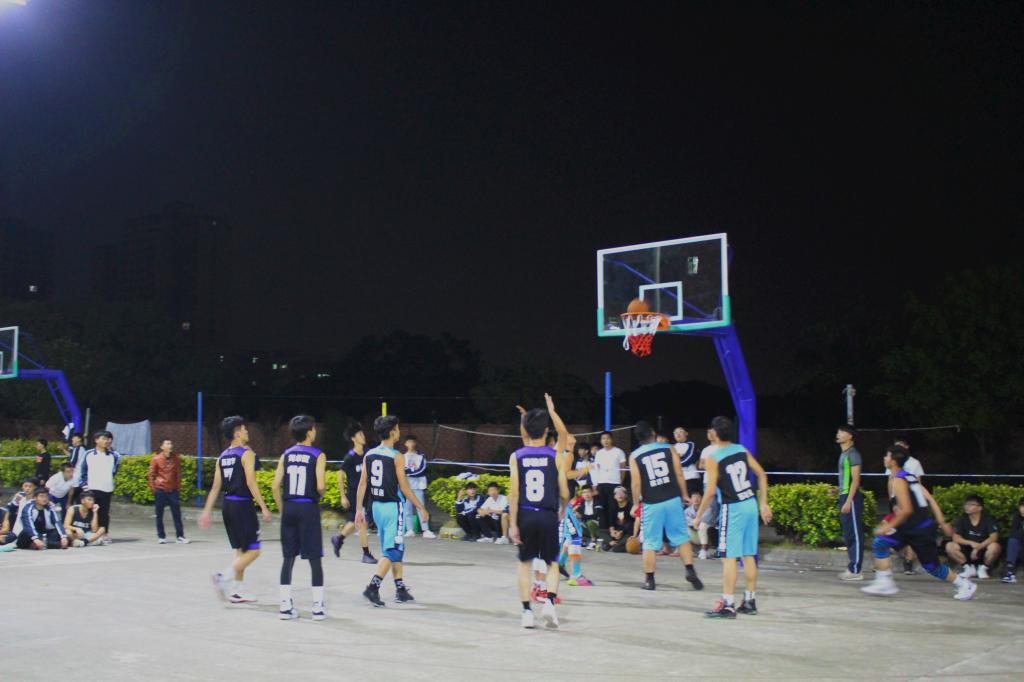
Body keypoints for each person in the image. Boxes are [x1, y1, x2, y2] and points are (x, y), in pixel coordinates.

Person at [861, 445, 976, 600]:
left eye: (887, 456)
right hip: (910, 526)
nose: (884, 458)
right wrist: (941, 521)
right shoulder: (909, 477)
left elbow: (906, 510)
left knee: (932, 568)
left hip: (919, 529)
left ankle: (964, 584)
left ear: (893, 461)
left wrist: (888, 526)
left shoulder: (899, 480)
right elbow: (926, 500)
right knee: (880, 543)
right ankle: (884, 582)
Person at [694, 416, 772, 618]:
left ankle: (728, 604)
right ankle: (749, 601)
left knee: (728, 557)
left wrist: (698, 515)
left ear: (715, 433)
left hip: (733, 507)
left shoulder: (714, 457)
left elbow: (710, 491)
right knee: (748, 554)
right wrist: (763, 503)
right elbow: (762, 474)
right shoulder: (741, 449)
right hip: (750, 504)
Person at [356, 415, 430, 607]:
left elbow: (363, 483)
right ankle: (373, 587)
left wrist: (359, 509)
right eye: (397, 428)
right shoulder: (397, 456)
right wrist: (421, 507)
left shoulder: (369, 454)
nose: (399, 431)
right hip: (392, 507)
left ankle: (400, 589)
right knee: (393, 550)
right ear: (391, 432)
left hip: (376, 507)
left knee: (394, 547)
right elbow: (404, 487)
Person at [510, 394, 570, 629]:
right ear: (546, 430)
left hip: (525, 513)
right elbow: (564, 491)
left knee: (524, 563)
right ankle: (550, 603)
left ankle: (527, 612)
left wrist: (513, 524)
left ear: (526, 430)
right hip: (547, 514)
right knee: (552, 562)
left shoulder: (517, 456)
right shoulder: (555, 456)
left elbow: (514, 493)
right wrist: (563, 506)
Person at [198, 416, 272, 604]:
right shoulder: (246, 454)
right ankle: (223, 577)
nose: (247, 432)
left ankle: (237, 591)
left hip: (228, 505)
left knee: (241, 550)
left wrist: (206, 510)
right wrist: (264, 507)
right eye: (244, 429)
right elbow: (251, 482)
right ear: (237, 433)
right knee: (254, 551)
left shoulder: (222, 457)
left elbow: (215, 487)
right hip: (242, 505)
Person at [628, 420, 703, 592]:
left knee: (649, 542)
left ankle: (650, 580)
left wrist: (635, 503)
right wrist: (684, 494)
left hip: (652, 502)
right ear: (653, 433)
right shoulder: (669, 448)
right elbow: (679, 473)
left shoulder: (635, 456)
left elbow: (636, 483)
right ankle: (690, 569)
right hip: (672, 498)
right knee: (681, 537)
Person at [272, 415, 328, 621]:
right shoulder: (318, 455)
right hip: (308, 507)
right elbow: (320, 486)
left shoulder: (286, 454)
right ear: (309, 432)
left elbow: (275, 486)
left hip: (290, 507)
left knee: (288, 557)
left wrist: (283, 509)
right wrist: (321, 495)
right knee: (314, 557)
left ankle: (285, 606)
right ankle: (317, 607)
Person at [330, 423, 376, 564]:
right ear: (353, 439)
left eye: (363, 433)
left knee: (354, 523)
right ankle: (366, 554)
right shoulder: (350, 457)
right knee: (362, 523)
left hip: (367, 494)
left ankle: (338, 539)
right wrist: (343, 496)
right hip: (355, 496)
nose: (363, 436)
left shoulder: (368, 453)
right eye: (360, 435)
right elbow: (340, 475)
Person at [946, 494, 1002, 580]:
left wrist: (978, 547)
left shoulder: (988, 519)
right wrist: (971, 543)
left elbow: (994, 537)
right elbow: (956, 538)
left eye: (971, 505)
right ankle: (968, 568)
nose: (967, 507)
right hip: (967, 549)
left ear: (980, 508)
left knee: (995, 546)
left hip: (983, 549)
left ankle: (983, 568)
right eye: (966, 504)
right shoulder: (962, 519)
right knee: (950, 546)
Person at [80, 430, 121, 545]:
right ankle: (90, 533)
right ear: (96, 440)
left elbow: (114, 471)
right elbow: (83, 470)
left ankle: (104, 533)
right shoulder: (88, 454)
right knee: (90, 512)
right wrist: (85, 486)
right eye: (103, 438)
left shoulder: (114, 455)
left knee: (104, 513)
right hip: (91, 488)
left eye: (107, 439)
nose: (105, 441)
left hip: (106, 488)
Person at [834, 425, 865, 581]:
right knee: (848, 534)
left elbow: (856, 480)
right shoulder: (844, 454)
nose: (838, 434)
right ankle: (853, 567)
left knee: (854, 534)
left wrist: (848, 501)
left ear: (850, 436)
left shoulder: (853, 454)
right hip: (845, 495)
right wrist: (838, 490)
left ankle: (855, 570)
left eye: (842, 432)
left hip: (850, 498)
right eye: (838, 432)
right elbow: (846, 480)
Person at [148, 438, 189, 544]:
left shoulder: (176, 458)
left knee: (177, 514)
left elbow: (178, 473)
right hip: (160, 490)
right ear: (162, 446)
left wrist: (178, 487)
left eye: (170, 443)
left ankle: (180, 536)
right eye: (167, 443)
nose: (170, 445)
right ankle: (161, 536)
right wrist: (154, 489)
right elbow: (151, 475)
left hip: (173, 490)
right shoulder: (156, 459)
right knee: (159, 514)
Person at [894, 437, 924, 574]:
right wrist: (892, 500)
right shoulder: (892, 463)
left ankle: (908, 561)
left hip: (911, 502)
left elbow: (918, 484)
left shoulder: (914, 463)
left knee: (911, 530)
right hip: (896, 501)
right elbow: (890, 482)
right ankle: (882, 563)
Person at [591, 432, 626, 530]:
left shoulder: (619, 452)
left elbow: (623, 469)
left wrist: (620, 483)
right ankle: (604, 529)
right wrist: (596, 484)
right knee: (602, 506)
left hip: (615, 483)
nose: (606, 440)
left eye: (608, 438)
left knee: (613, 506)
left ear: (612, 439)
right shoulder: (599, 453)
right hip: (602, 483)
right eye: (603, 438)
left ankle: (613, 527)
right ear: (601, 441)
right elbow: (597, 469)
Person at [402, 435, 435, 539]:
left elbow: (421, 470)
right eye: (409, 442)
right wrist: (409, 471)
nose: (411, 444)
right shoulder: (402, 457)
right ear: (405, 444)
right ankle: (410, 529)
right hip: (406, 486)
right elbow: (401, 470)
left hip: (418, 486)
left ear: (415, 443)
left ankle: (425, 530)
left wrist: (408, 472)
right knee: (407, 509)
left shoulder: (421, 456)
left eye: (413, 442)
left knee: (421, 507)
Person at [686, 490, 719, 559]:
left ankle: (703, 550)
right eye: (694, 497)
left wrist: (694, 522)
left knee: (702, 526)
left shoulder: (708, 508)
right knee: (682, 527)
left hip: (706, 533)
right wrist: (694, 523)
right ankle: (690, 550)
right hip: (694, 532)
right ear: (691, 499)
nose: (696, 499)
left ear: (702, 499)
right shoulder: (687, 510)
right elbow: (685, 520)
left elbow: (705, 519)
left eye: (698, 497)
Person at [674, 427, 702, 495]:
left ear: (686, 433)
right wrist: (680, 457)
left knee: (693, 498)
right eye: (676, 433)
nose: (678, 434)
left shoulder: (691, 444)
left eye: (680, 431)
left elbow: (690, 458)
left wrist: (676, 462)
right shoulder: (672, 447)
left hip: (691, 477)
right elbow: (669, 461)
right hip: (677, 479)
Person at [1002, 497, 1024, 584]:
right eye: (1021, 506)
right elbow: (1014, 534)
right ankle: (1010, 572)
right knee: (1013, 541)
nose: (1022, 509)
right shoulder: (1017, 517)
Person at [576, 485, 605, 549]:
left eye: (588, 492)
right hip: (588, 529)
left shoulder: (597, 502)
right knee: (575, 521)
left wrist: (582, 516)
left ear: (592, 493)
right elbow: (578, 513)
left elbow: (595, 516)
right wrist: (576, 514)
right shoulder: (582, 504)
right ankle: (582, 540)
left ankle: (593, 540)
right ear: (582, 495)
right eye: (584, 492)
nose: (586, 494)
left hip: (598, 528)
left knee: (590, 522)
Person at [606, 485, 633, 552]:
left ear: (626, 495)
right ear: (614, 496)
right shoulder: (613, 506)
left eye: (622, 493)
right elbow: (611, 522)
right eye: (617, 493)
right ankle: (614, 543)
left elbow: (631, 523)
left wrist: (621, 532)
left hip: (627, 532)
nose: (620, 495)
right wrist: (612, 531)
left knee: (616, 548)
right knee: (604, 544)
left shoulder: (630, 506)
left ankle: (621, 545)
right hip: (617, 531)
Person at [66, 433, 86, 506]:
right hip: (81, 477)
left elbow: (72, 462)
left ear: (79, 439)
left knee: (71, 497)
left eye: (74, 438)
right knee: (79, 499)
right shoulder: (83, 448)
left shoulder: (77, 448)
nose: (72, 439)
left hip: (76, 476)